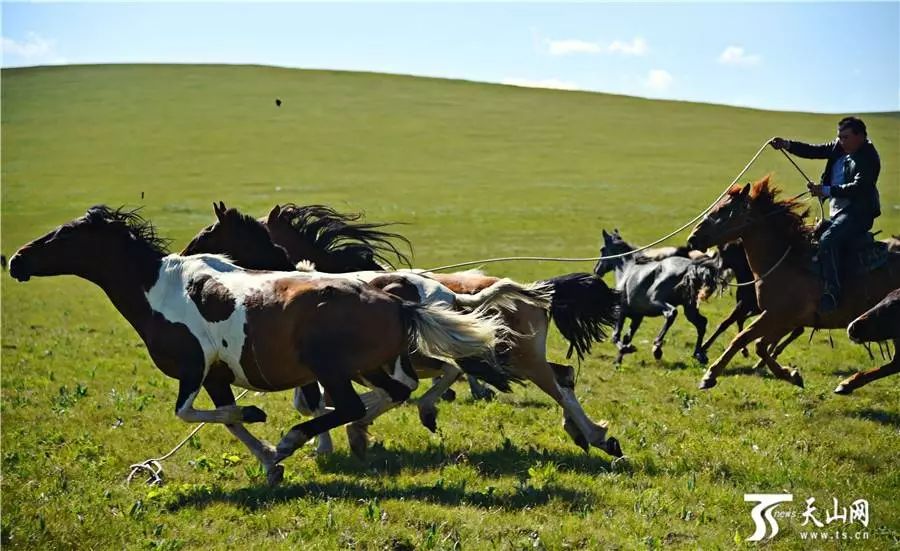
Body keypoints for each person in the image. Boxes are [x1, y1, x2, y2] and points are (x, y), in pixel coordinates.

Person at [770, 116, 881, 313]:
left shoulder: (869, 157)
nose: (841, 141)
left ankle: (832, 293)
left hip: (858, 214)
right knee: (813, 236)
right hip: (839, 212)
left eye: (846, 137)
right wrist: (787, 144)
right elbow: (815, 150)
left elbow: (859, 187)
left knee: (828, 240)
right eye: (839, 137)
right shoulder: (840, 147)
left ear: (861, 136)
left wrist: (826, 190)